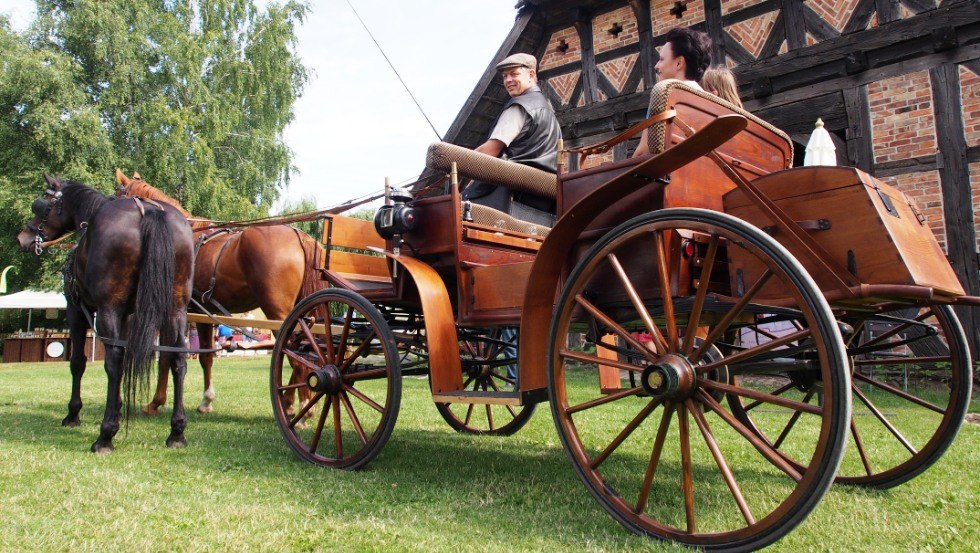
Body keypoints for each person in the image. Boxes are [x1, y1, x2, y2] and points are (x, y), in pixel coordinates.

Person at [461, 52, 562, 226]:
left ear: (531, 75)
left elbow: (490, 151)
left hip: (508, 193)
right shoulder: (549, 113)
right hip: (541, 201)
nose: (508, 80)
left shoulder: (519, 107)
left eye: (514, 74)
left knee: (452, 204)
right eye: (505, 76)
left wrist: (459, 162)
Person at [633, 27, 712, 157]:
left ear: (679, 63)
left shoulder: (664, 96)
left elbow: (643, 152)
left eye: (662, 59)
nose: (656, 66)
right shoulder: (710, 102)